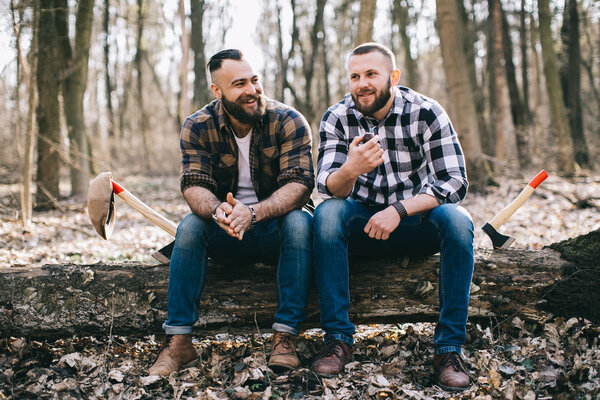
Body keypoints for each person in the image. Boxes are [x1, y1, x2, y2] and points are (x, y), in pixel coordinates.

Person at [311, 42, 474, 391]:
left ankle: (448, 348)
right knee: (326, 216)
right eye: (355, 76)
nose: (362, 83)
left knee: (458, 221)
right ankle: (338, 339)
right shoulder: (337, 117)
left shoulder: (426, 112)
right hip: (361, 225)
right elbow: (328, 187)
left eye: (371, 74)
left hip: (415, 221)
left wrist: (399, 209)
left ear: (393, 77)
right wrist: (351, 169)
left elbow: (455, 181)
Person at [149, 49, 315, 376]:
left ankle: (285, 338)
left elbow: (300, 185)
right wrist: (217, 212)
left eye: (254, 80)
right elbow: (193, 185)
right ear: (217, 90)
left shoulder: (289, 120)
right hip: (225, 231)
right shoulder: (198, 126)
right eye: (239, 84)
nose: (252, 90)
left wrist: (253, 213)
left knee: (299, 222)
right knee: (189, 228)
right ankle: (179, 344)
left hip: (274, 229)